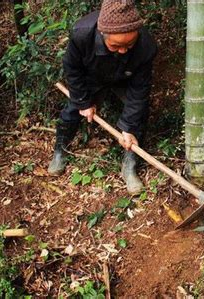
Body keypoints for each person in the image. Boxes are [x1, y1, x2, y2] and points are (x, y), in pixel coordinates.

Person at [47, 0, 157, 195]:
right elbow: (72, 69)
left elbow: (139, 90)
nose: (123, 50)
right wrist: (83, 101)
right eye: (116, 46)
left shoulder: (146, 46)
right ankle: (59, 152)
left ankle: (129, 165)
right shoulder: (82, 34)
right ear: (102, 33)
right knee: (71, 112)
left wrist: (128, 127)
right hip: (92, 76)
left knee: (139, 115)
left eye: (129, 45)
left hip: (125, 78)